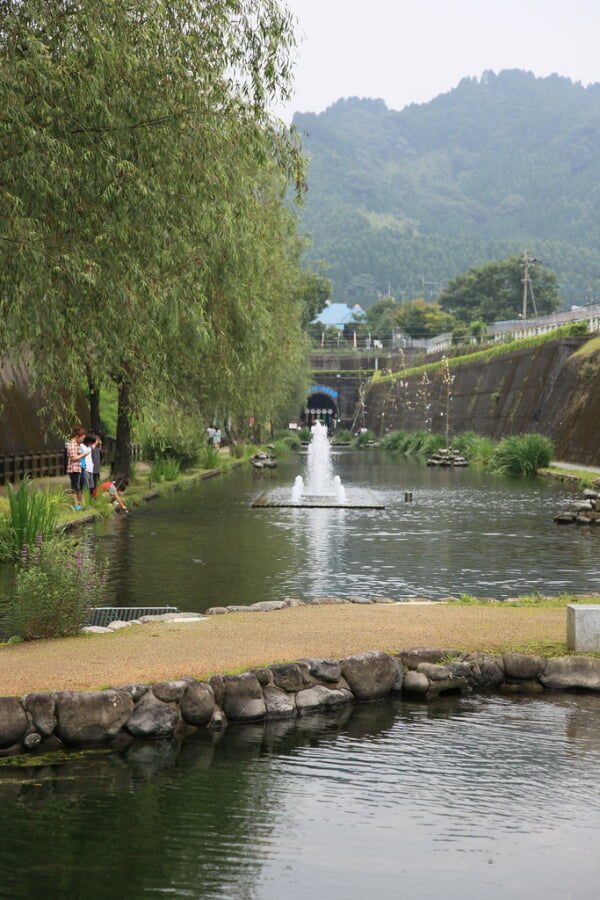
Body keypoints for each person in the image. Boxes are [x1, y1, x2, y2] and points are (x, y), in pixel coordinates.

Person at [66, 426, 87, 510]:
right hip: (73, 468)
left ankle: (82, 504)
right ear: (77, 437)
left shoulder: (78, 445)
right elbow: (73, 458)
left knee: (80, 486)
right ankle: (76, 505)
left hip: (79, 467)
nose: (83, 440)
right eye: (82, 438)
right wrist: (83, 455)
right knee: (74, 487)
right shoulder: (72, 445)